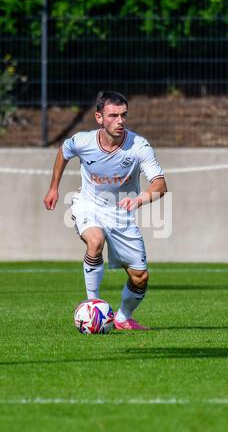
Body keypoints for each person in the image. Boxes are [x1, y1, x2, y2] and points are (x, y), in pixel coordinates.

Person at [44, 91, 167, 330]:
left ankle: (122, 318)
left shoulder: (139, 146)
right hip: (87, 203)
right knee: (95, 239)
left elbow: (160, 185)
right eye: (113, 115)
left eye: (123, 115)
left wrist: (139, 200)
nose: (120, 121)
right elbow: (63, 152)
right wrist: (53, 188)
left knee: (140, 277)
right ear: (99, 117)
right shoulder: (83, 141)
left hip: (121, 213)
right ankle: (93, 305)